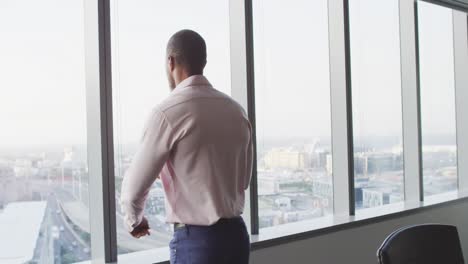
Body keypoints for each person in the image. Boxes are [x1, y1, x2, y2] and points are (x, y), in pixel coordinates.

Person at [120, 29, 253, 264]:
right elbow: (244, 180)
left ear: (170, 61)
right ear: (204, 62)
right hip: (236, 237)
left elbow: (133, 188)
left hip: (198, 243)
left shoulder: (168, 113)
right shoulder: (236, 111)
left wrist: (135, 220)